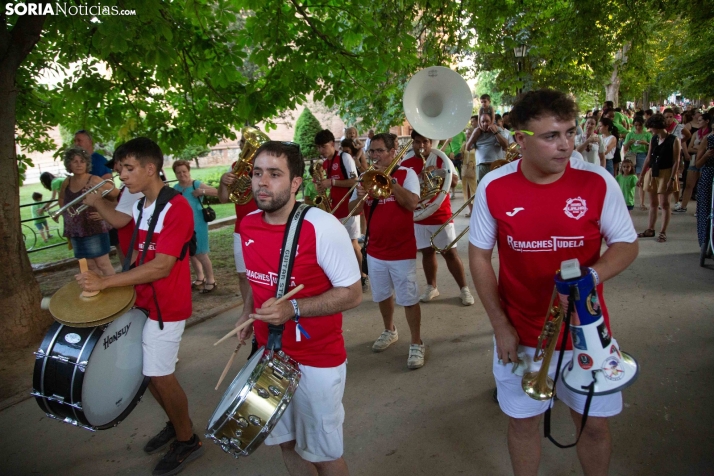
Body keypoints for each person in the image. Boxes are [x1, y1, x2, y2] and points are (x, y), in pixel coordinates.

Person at [469, 89, 638, 476]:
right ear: (520, 140)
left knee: (593, 425)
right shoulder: (494, 186)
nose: (566, 145)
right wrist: (500, 325)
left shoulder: (598, 182)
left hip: (588, 333)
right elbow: (479, 255)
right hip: (522, 335)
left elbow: (626, 244)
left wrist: (590, 277)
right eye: (551, 136)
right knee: (523, 422)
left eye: (570, 132)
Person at [75, 137, 203, 476]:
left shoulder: (176, 208)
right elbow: (133, 244)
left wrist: (104, 282)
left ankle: (187, 439)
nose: (123, 176)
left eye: (129, 169)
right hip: (143, 301)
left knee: (159, 376)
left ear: (150, 168)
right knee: (148, 377)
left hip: (166, 307)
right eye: (121, 169)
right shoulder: (144, 203)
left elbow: (161, 266)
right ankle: (178, 426)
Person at [234, 141, 362, 476]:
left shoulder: (321, 226)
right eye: (258, 173)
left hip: (317, 361)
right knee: (287, 443)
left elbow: (352, 293)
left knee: (323, 454)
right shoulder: (246, 225)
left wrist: (293, 308)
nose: (262, 182)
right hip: (270, 356)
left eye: (274, 174)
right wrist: (248, 312)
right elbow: (254, 280)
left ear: (295, 183)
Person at [349, 133, 426, 369]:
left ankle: (416, 342)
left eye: (379, 151)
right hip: (375, 250)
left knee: (409, 298)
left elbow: (412, 203)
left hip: (401, 250)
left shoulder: (406, 174)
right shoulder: (365, 178)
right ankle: (389, 330)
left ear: (393, 152)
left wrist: (391, 183)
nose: (374, 156)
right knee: (382, 295)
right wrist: (361, 197)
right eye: (371, 151)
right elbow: (352, 211)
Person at [400, 130, 475, 306]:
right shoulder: (407, 162)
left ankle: (464, 289)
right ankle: (431, 286)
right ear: (413, 144)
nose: (421, 146)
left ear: (431, 142)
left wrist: (438, 172)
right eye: (417, 142)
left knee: (450, 253)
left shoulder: (440, 157)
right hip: (418, 215)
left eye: (425, 142)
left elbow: (454, 181)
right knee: (426, 252)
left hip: (440, 213)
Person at [314, 130, 365, 290]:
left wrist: (332, 183)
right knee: (339, 244)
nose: (321, 150)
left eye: (324, 146)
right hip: (335, 208)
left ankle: (363, 275)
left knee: (353, 243)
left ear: (333, 144)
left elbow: (355, 181)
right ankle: (347, 275)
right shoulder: (326, 163)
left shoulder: (344, 157)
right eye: (318, 147)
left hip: (349, 208)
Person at [218, 136, 260, 320]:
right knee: (243, 275)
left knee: (264, 273)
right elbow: (224, 199)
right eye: (244, 145)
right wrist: (222, 182)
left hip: (262, 227)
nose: (247, 149)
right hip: (241, 228)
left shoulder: (265, 167)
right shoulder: (236, 167)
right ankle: (248, 314)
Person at [82, 144, 143, 270]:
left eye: (117, 163)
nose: (114, 168)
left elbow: (118, 220)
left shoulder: (134, 187)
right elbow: (121, 207)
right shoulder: (128, 186)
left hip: (137, 252)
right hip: (132, 251)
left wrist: (97, 201)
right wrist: (102, 203)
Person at [58, 147, 118, 275]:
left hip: (94, 227)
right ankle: (100, 289)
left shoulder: (94, 179)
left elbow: (115, 193)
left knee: (103, 263)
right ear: (69, 164)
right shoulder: (67, 182)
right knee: (89, 265)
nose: (79, 164)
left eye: (82, 161)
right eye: (75, 161)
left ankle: (115, 290)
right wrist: (64, 214)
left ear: (87, 163)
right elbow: (62, 198)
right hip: (75, 229)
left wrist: (104, 213)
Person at [172, 160, 219, 293]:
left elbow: (217, 192)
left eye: (184, 172)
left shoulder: (195, 184)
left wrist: (202, 191)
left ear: (189, 171)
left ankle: (211, 280)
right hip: (183, 224)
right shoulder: (176, 188)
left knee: (201, 253)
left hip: (198, 222)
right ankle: (200, 277)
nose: (182, 175)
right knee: (192, 252)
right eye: (179, 172)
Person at [637, 113, 682, 243]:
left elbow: (676, 161)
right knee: (653, 203)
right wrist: (642, 175)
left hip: (666, 172)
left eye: (651, 127)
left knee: (664, 204)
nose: (650, 130)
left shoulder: (674, 140)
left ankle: (663, 232)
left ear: (658, 126)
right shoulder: (654, 139)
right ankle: (650, 229)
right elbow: (648, 157)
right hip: (653, 171)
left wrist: (672, 178)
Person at [676, 112, 711, 213]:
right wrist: (700, 149)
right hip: (694, 160)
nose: (698, 122)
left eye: (700, 120)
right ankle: (683, 206)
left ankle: (700, 209)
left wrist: (699, 149)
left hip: (705, 162)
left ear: (707, 121)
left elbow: (709, 150)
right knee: (689, 185)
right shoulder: (696, 133)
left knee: (702, 186)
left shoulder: (710, 135)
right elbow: (690, 148)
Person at [465, 112, 509, 183]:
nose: (485, 124)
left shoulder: (498, 129)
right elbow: (468, 148)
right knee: (483, 188)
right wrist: (474, 135)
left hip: (496, 165)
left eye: (487, 121)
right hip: (481, 166)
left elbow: (505, 145)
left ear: (491, 121)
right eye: (483, 122)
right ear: (480, 122)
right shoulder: (477, 132)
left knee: (497, 187)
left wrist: (495, 132)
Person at [623, 116, 653, 209]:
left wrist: (646, 143)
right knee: (628, 178)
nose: (637, 127)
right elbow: (625, 148)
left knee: (641, 179)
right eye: (636, 125)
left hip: (642, 155)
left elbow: (652, 148)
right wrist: (629, 143)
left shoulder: (647, 135)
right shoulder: (630, 134)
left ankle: (642, 202)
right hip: (632, 155)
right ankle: (626, 200)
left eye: (639, 125)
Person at [695, 133, 714, 249]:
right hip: (708, 178)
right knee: (706, 209)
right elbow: (697, 164)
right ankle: (705, 242)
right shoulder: (708, 139)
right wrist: (707, 155)